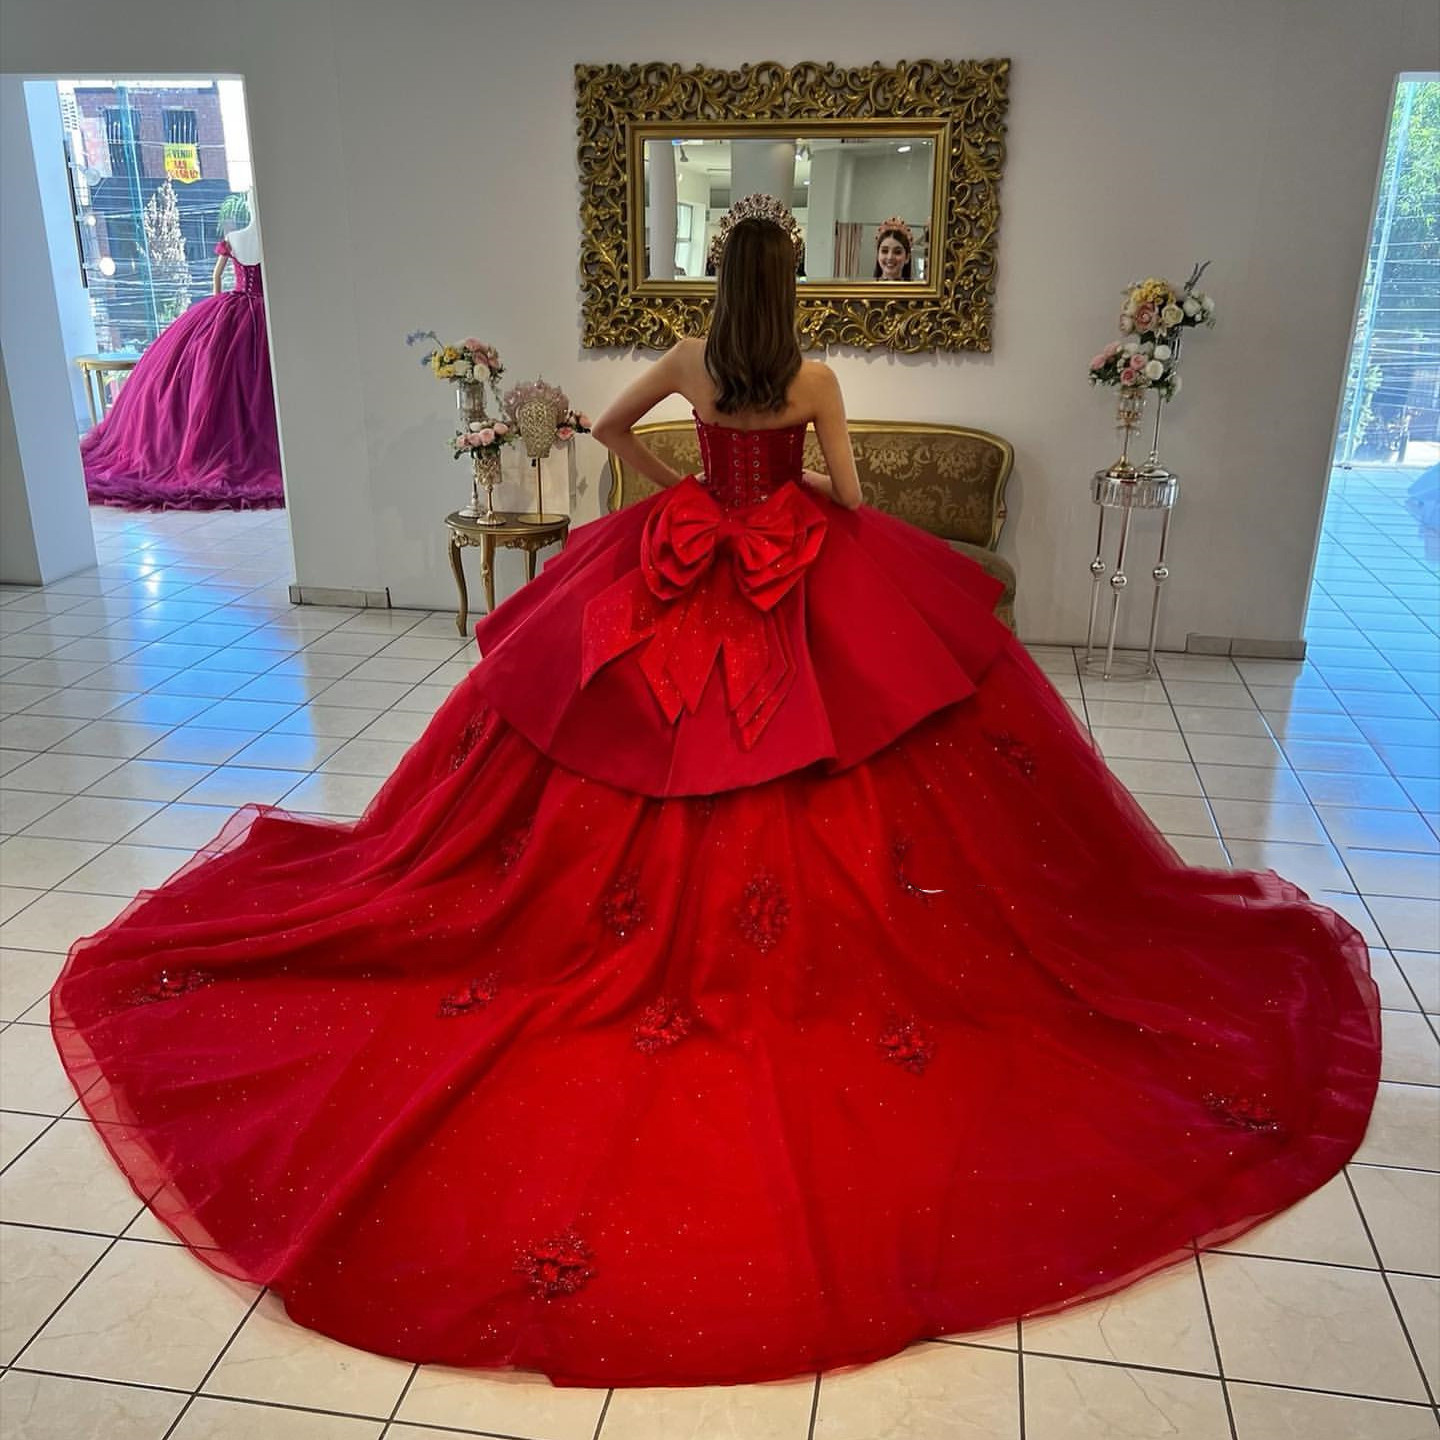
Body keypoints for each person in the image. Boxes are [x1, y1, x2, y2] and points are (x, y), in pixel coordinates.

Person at [50, 194, 1379, 1391]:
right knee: (854, 745)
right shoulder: (811, 372)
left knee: (635, 740)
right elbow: (848, 495)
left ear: (715, 282)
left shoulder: (692, 361)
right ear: (787, 292)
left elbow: (614, 432)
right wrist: (783, 513)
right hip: (790, 554)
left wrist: (682, 497)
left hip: (683, 556)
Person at [79, 191, 284, 510]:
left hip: (234, 307)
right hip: (265, 310)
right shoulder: (268, 239)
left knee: (221, 385)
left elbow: (218, 278)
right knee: (251, 386)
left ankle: (220, 447)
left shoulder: (235, 238)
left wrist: (220, 311)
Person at [873, 216, 913, 280]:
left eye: (897, 252)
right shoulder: (864, 289)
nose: (890, 257)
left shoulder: (917, 289)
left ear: (907, 257)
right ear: (878, 254)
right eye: (884, 251)